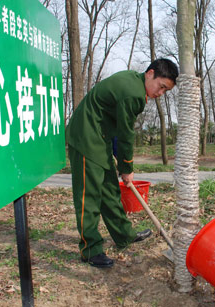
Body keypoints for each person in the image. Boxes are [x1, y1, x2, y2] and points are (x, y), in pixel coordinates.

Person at [65, 59, 179, 268]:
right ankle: (90, 250)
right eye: (161, 86)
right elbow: (126, 134)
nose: (160, 93)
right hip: (86, 136)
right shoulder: (133, 93)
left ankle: (124, 235)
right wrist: (127, 168)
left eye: (166, 91)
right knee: (88, 195)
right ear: (150, 73)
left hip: (101, 136)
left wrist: (119, 159)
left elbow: (118, 127)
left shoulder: (134, 82)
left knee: (109, 190)